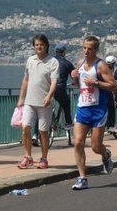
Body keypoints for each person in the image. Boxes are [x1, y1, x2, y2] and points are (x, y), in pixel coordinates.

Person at [70, 36, 117, 190]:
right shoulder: (80, 64)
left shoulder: (101, 66)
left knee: (96, 147)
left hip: (98, 109)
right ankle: (82, 177)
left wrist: (96, 82)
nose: (86, 51)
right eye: (84, 47)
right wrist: (75, 79)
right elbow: (80, 86)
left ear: (96, 49)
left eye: (90, 48)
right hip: (82, 107)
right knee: (78, 142)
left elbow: (113, 86)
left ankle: (106, 155)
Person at [17, 33, 59, 169]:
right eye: (36, 45)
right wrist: (21, 98)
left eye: (41, 44)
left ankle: (44, 158)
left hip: (44, 103)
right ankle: (28, 157)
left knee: (43, 132)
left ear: (46, 46)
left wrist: (49, 96)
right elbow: (25, 80)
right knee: (25, 128)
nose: (39, 47)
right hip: (29, 101)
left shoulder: (53, 62)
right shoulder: (30, 60)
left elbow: (54, 82)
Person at [31, 43, 75, 146]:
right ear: (64, 52)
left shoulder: (48, 61)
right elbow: (74, 75)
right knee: (66, 102)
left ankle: (34, 135)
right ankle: (68, 123)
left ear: (55, 51)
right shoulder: (67, 63)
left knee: (41, 111)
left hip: (46, 89)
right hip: (59, 88)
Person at [105, 55, 117, 133]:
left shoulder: (102, 69)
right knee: (111, 108)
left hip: (101, 91)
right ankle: (111, 126)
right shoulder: (114, 71)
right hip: (109, 91)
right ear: (114, 63)